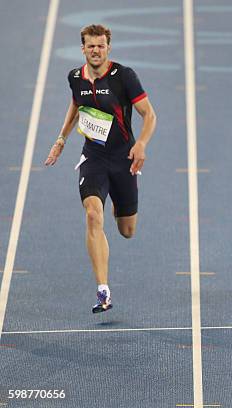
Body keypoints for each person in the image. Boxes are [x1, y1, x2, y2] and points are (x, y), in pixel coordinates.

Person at [45, 24, 157, 313]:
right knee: (93, 214)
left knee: (126, 230)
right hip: (93, 158)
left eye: (101, 45)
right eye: (90, 46)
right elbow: (76, 106)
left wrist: (141, 144)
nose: (96, 50)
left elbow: (150, 115)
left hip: (123, 160)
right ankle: (103, 289)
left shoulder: (125, 77)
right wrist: (61, 139)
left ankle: (118, 201)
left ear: (108, 48)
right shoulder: (75, 77)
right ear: (82, 48)